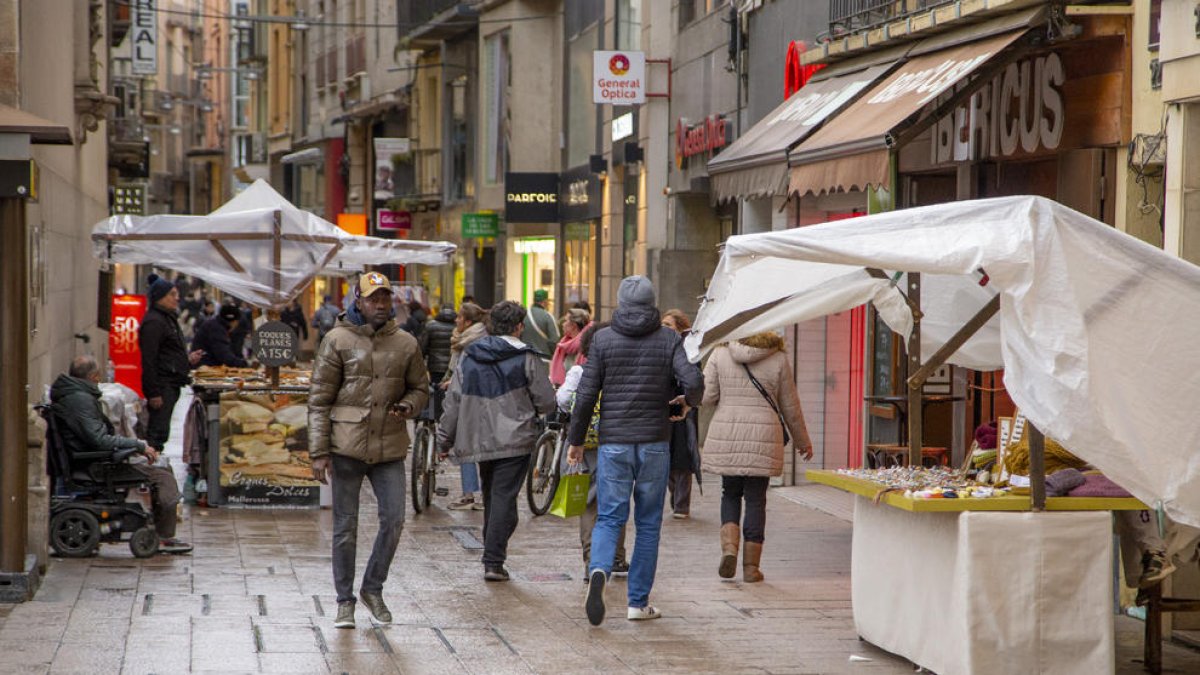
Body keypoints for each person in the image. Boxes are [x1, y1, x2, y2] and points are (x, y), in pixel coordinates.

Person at [567, 275, 704, 625]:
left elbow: (585, 394)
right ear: (652, 301)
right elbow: (694, 380)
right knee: (647, 524)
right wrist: (687, 403)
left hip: (614, 444)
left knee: (610, 517)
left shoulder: (604, 340)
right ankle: (637, 603)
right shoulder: (669, 339)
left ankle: (599, 569)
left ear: (620, 303)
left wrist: (577, 440)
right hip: (655, 444)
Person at [308, 271, 430, 630]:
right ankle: (344, 601)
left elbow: (421, 389)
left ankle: (372, 588)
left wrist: (409, 405)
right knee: (345, 527)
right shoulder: (336, 340)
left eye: (385, 298)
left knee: (394, 520)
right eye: (373, 298)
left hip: (389, 445)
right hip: (346, 446)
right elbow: (318, 400)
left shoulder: (406, 343)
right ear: (358, 301)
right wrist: (318, 451)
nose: (380, 304)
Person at [438, 300, 557, 581]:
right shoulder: (527, 358)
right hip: (515, 439)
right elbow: (546, 401)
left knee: (494, 495)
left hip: (479, 438)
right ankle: (493, 560)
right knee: (503, 498)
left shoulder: (470, 356)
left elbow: (453, 400)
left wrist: (444, 439)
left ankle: (492, 555)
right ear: (519, 327)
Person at [702, 331, 813, 583]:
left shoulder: (720, 353)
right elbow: (790, 405)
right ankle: (751, 568)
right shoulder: (778, 358)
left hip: (728, 432)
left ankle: (729, 549)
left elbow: (707, 397)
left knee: (729, 493)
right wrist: (803, 441)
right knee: (756, 499)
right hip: (764, 434)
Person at [51, 356, 192, 553]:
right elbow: (99, 439)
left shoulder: (74, 395)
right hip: (95, 465)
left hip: (92, 458)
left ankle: (163, 530)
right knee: (161, 474)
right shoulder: (79, 400)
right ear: (94, 376)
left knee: (159, 465)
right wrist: (136, 445)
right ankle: (165, 536)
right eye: (98, 376)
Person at [556, 322, 629, 580]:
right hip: (616, 441)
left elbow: (563, 400)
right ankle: (617, 558)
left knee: (589, 505)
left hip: (584, 444)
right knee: (615, 500)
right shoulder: (622, 371)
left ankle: (591, 564)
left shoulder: (579, 371)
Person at [139, 274, 204, 453]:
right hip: (162, 385)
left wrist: (187, 360)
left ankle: (155, 463)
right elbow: (149, 359)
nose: (177, 297)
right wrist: (153, 392)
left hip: (171, 382)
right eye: (172, 294)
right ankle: (152, 469)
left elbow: (169, 353)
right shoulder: (154, 322)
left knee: (162, 431)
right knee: (157, 433)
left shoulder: (166, 318)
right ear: (160, 297)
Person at [442, 303, 488, 510]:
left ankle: (474, 494)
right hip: (473, 397)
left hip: (474, 399)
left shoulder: (473, 341)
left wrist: (454, 384)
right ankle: (474, 494)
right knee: (470, 446)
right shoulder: (466, 338)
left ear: (468, 322)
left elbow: (466, 372)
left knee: (469, 446)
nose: (456, 320)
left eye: (459, 317)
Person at [662, 309, 701, 519]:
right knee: (666, 454)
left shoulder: (690, 348)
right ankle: (674, 498)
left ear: (679, 326)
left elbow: (695, 380)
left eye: (668, 325)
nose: (663, 328)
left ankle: (681, 505)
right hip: (665, 407)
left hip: (683, 407)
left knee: (683, 457)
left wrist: (687, 401)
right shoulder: (662, 346)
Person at [550, 308, 591, 387]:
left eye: (566, 321)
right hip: (563, 392)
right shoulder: (564, 344)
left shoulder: (587, 346)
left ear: (574, 326)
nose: (563, 324)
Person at [523, 289, 559, 357]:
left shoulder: (523, 314)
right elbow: (554, 341)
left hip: (525, 357)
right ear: (545, 301)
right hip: (543, 358)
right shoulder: (548, 316)